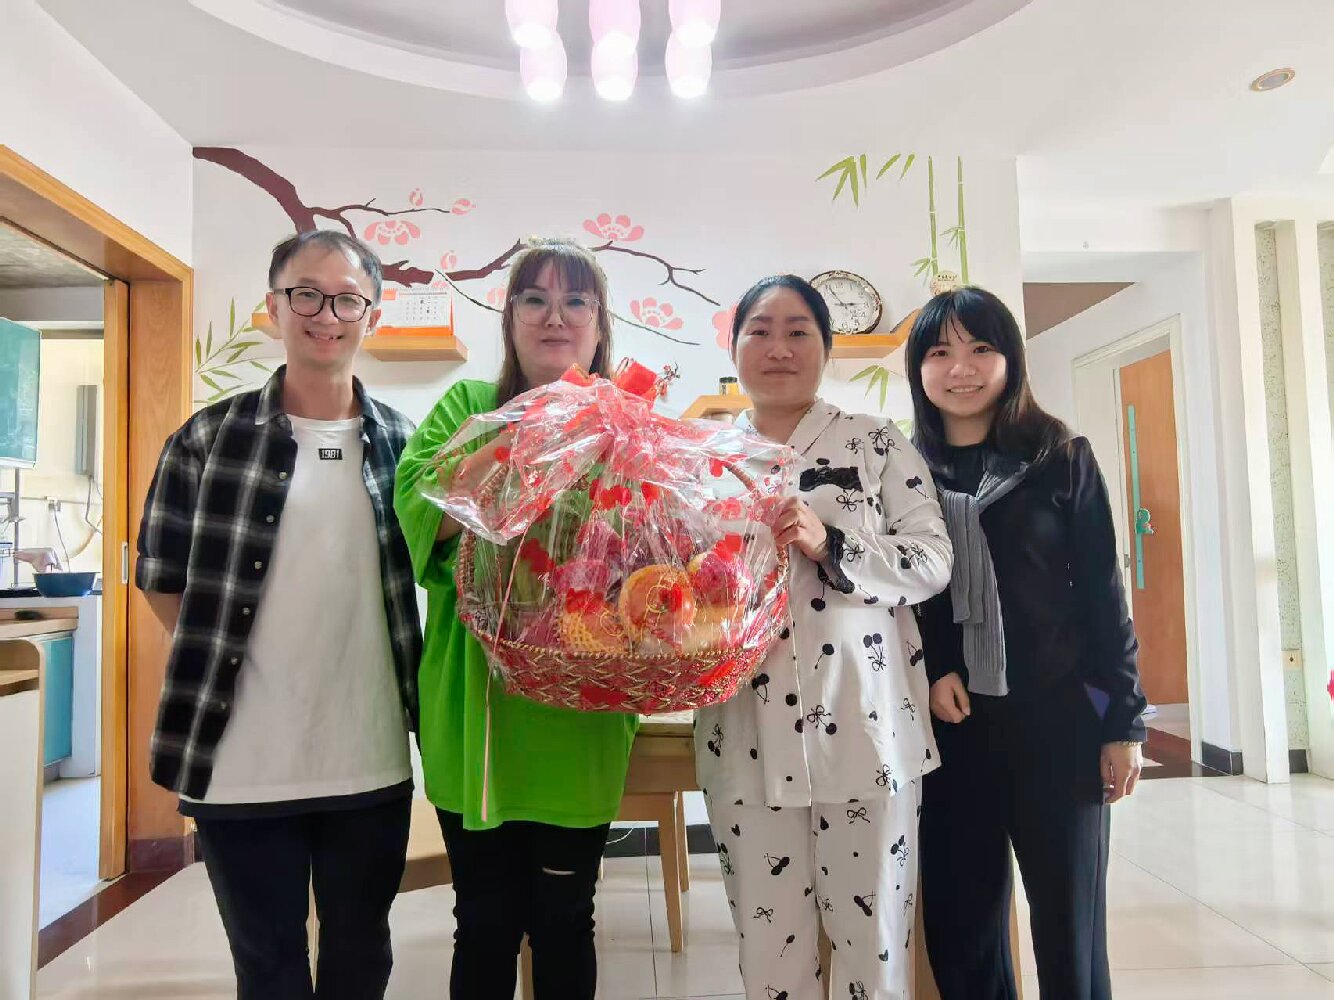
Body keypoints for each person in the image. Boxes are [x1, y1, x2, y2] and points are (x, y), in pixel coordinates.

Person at [136, 230, 422, 999]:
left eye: (347, 299)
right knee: (267, 968)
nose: (326, 314)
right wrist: (227, 656)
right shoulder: (206, 439)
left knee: (362, 957)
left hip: (369, 757)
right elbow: (160, 578)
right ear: (273, 307)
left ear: (372, 316)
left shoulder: (404, 445)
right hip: (242, 766)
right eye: (306, 294)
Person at [695, 274, 954, 1000]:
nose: (778, 347)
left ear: (827, 347)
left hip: (866, 730)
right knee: (768, 952)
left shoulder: (875, 441)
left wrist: (832, 545)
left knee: (874, 950)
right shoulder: (704, 459)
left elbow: (933, 560)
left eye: (798, 331)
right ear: (734, 347)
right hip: (742, 736)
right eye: (760, 331)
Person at [393, 238, 636, 1000]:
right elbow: (424, 514)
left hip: (581, 714)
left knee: (565, 918)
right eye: (535, 299)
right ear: (510, 319)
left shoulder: (628, 427)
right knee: (485, 922)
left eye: (575, 301)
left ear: (599, 324)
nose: (555, 316)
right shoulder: (468, 407)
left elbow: (654, 552)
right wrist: (534, 431)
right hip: (477, 716)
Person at [908, 286, 1147, 1000]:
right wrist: (936, 667)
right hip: (952, 730)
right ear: (919, 368)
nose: (961, 368)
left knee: (1071, 928)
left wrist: (1122, 724)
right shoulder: (904, 472)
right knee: (963, 931)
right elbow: (906, 592)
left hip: (1059, 721)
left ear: (1011, 358)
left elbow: (1103, 596)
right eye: (940, 352)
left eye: (981, 348)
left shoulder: (1060, 457)